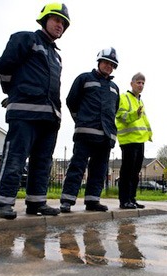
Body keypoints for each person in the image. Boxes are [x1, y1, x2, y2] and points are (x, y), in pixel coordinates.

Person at [0, 3, 70, 219]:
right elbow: (4, 66)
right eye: (56, 20)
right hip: (25, 113)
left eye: (63, 23)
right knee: (16, 157)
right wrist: (14, 92)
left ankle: (36, 202)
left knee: (42, 162)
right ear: (44, 19)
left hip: (49, 117)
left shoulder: (56, 56)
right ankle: (4, 202)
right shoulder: (26, 39)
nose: (60, 25)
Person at [60, 47, 120, 213]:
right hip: (85, 134)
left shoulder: (114, 87)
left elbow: (113, 110)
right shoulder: (84, 78)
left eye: (112, 64)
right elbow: (71, 101)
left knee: (99, 170)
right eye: (106, 62)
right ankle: (67, 200)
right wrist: (80, 120)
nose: (109, 66)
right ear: (99, 61)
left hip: (105, 137)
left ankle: (93, 200)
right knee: (77, 167)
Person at [115, 72, 152, 209]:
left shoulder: (140, 101)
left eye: (143, 83)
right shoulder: (124, 97)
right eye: (138, 82)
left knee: (135, 173)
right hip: (128, 140)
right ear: (131, 83)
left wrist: (149, 133)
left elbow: (144, 119)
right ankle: (124, 200)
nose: (141, 85)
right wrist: (134, 115)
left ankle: (132, 199)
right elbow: (120, 115)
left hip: (140, 140)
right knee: (127, 171)